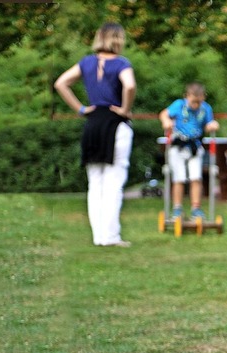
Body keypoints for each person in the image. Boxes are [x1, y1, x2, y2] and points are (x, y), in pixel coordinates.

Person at [54, 22, 136, 247]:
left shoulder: (86, 63)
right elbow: (129, 86)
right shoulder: (121, 64)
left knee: (95, 182)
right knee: (114, 180)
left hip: (92, 124)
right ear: (118, 39)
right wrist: (125, 110)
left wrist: (81, 109)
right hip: (114, 124)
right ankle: (111, 237)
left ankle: (99, 236)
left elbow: (61, 83)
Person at [159, 82, 220, 220]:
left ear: (203, 98)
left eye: (199, 102)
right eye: (193, 102)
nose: (196, 105)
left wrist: (212, 125)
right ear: (187, 96)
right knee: (179, 178)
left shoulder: (205, 108)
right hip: (178, 146)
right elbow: (164, 114)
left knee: (196, 178)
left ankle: (196, 208)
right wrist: (166, 121)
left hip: (195, 146)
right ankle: (177, 209)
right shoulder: (179, 105)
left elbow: (208, 124)